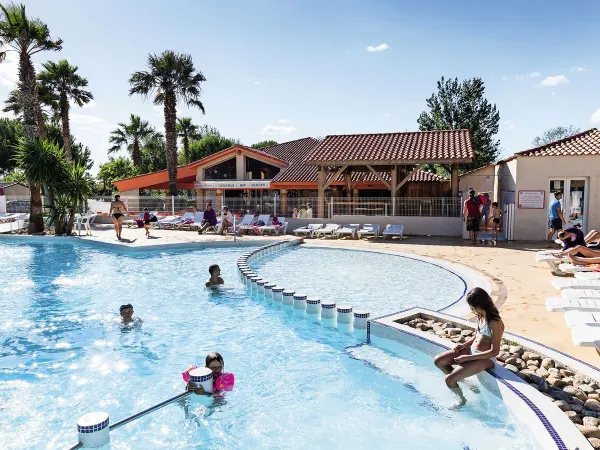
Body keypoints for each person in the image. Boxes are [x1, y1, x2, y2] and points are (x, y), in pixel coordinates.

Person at [433, 288, 504, 405]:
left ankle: (462, 401)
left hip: (486, 359)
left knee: (449, 379)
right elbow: (478, 336)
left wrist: (467, 358)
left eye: (473, 306)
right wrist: (463, 345)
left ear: (480, 304)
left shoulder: (495, 323)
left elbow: (494, 352)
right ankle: (464, 381)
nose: (472, 309)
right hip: (472, 351)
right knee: (439, 361)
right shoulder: (481, 316)